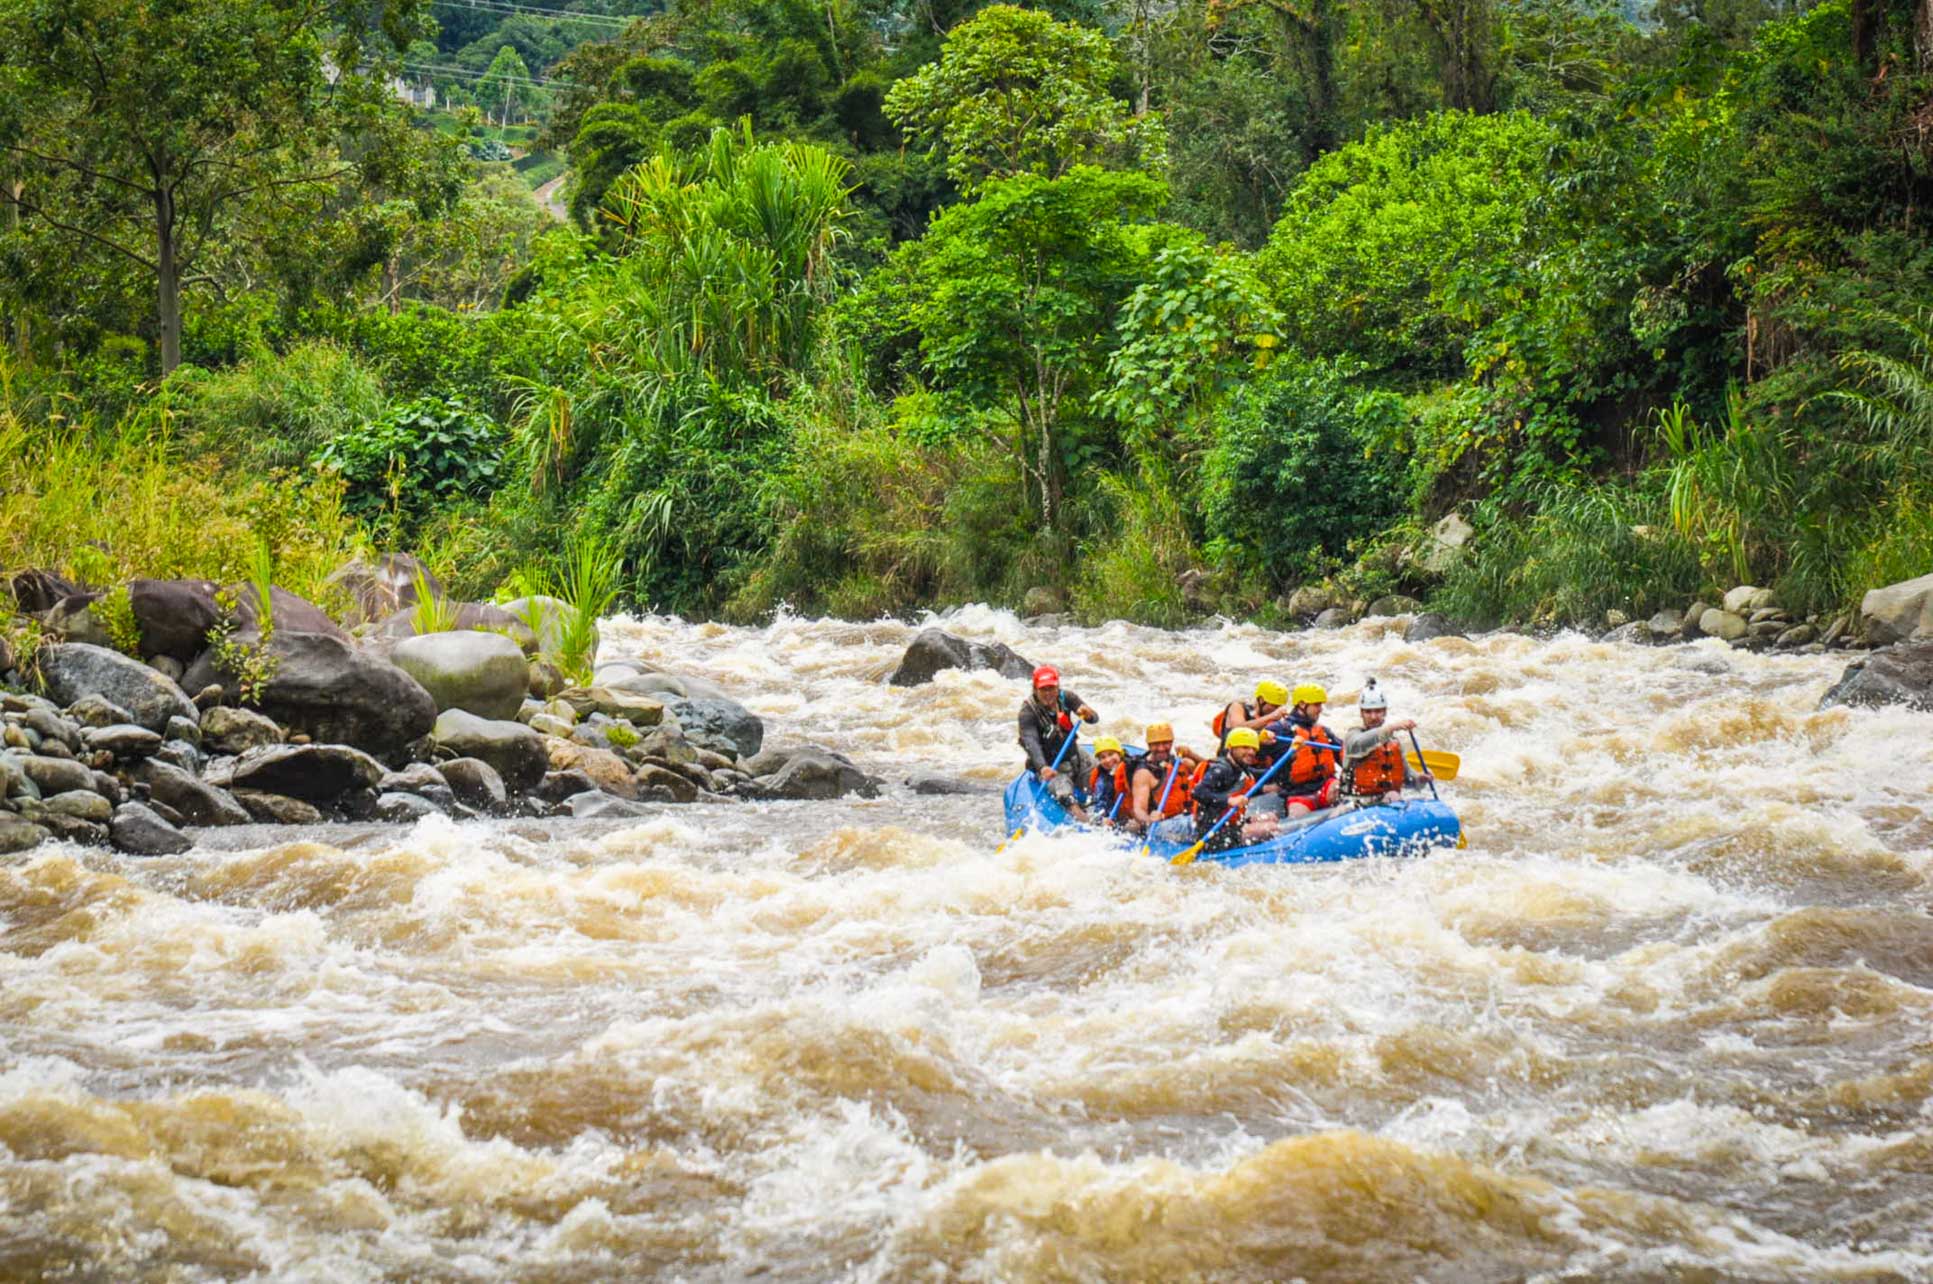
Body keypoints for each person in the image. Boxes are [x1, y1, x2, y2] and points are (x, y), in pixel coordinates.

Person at [1018, 665, 1098, 818]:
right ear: (1035, 689)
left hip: (1074, 754)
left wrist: (1089, 714)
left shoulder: (1067, 697)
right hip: (1050, 765)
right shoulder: (1027, 712)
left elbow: (1094, 719)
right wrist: (1042, 767)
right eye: (1043, 689)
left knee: (1100, 777)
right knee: (1065, 794)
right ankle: (1081, 817)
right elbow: (1031, 742)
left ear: (1057, 687)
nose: (1048, 694)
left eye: (1051, 688)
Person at [1190, 727, 1281, 851]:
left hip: (1231, 824)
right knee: (1271, 828)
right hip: (1214, 833)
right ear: (1231, 747)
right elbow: (1197, 792)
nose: (1251, 752)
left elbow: (1272, 773)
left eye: (1253, 749)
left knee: (1272, 817)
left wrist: (1292, 749)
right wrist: (1228, 801)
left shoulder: (1241, 768)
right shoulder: (1221, 769)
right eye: (1245, 747)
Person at [1341, 678, 1427, 804]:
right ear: (1361, 713)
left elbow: (1408, 779)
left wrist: (1420, 779)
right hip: (1354, 803)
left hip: (1386, 802)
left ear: (1385, 712)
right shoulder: (1353, 736)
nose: (1373, 716)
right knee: (1393, 796)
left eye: (1378, 711)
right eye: (1368, 712)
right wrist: (1391, 727)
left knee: (1393, 795)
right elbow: (1359, 744)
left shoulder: (1394, 743)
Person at [1214, 680, 1291, 816]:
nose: (1276, 709)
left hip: (1257, 770)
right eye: (1273, 706)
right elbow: (1238, 727)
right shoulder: (1237, 707)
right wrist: (1271, 717)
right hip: (1233, 769)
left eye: (1279, 706)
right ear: (1261, 700)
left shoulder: (1275, 722)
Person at [1273, 682, 1341, 818]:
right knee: (1297, 816)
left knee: (1341, 788)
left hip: (1325, 787)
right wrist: (1264, 740)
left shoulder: (1323, 731)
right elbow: (1253, 750)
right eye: (1316, 705)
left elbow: (1344, 754)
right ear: (1303, 705)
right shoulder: (1280, 730)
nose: (1320, 709)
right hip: (1298, 793)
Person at [1128, 722, 1204, 841]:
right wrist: (1149, 819)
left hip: (1187, 818)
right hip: (1161, 826)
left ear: (1172, 742)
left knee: (1206, 817)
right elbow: (1139, 809)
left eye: (1166, 743)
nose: (1161, 748)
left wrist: (1192, 754)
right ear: (1148, 745)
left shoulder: (1183, 763)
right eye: (1156, 744)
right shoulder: (1144, 773)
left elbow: (1211, 772)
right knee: (1197, 823)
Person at [1088, 737, 1139, 825]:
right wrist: (1102, 820)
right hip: (1118, 817)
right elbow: (1099, 805)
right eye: (1102, 757)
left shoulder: (1133, 766)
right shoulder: (1102, 781)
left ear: (1120, 754)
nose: (1108, 760)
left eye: (1111, 754)